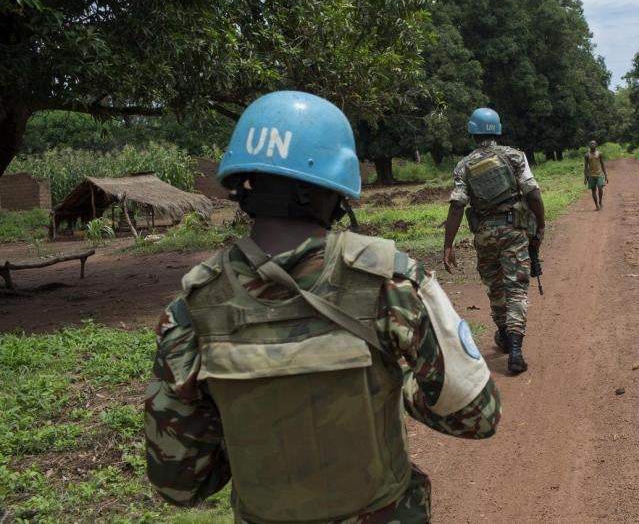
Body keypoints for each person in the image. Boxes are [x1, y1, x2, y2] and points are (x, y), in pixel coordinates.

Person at [144, 91, 500, 523]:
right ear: (337, 188)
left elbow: (177, 482)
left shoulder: (192, 307)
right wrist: (400, 385)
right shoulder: (392, 280)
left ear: (243, 185)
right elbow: (478, 415)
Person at [442, 107, 545, 374]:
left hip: (485, 235)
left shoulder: (463, 165)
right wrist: (540, 226)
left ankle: (503, 334)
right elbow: (532, 193)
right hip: (513, 232)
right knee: (517, 289)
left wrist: (448, 245)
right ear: (497, 130)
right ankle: (515, 351)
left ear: (472, 132)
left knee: (496, 288)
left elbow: (456, 206)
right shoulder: (514, 156)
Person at [583, 140, 609, 210]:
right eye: (591, 143)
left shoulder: (599, 154)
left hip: (599, 174)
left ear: (596, 145)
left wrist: (606, 175)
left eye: (594, 143)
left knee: (600, 188)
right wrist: (585, 178)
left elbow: (603, 165)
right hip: (591, 175)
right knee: (593, 191)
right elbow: (585, 167)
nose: (592, 145)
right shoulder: (587, 155)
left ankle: (600, 201)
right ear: (589, 145)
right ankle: (597, 205)